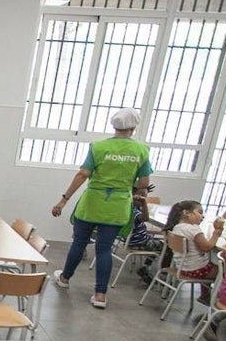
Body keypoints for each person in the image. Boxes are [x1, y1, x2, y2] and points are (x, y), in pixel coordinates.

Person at [51, 108, 152, 309]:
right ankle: (100, 295)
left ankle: (64, 278)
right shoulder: (142, 150)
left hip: (93, 202)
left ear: (114, 126)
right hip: (118, 205)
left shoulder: (98, 147)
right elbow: (144, 182)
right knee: (104, 248)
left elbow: (82, 174)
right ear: (133, 127)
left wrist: (64, 200)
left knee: (79, 242)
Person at [168, 200, 222, 300]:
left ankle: (205, 295)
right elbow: (207, 247)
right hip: (196, 270)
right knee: (225, 271)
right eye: (200, 212)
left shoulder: (177, 227)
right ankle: (217, 301)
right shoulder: (194, 229)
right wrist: (216, 235)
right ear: (186, 213)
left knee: (209, 263)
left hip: (182, 268)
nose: (203, 216)